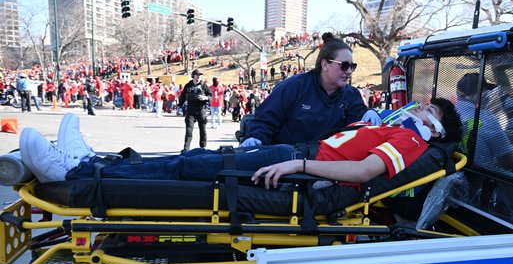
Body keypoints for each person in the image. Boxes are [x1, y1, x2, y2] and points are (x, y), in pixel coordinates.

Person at [19, 99, 461, 190]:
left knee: (190, 168)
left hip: (298, 162)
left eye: (431, 111)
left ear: (436, 130)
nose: (421, 108)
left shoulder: (412, 140)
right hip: (295, 153)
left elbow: (365, 172)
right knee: (194, 159)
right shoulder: (393, 126)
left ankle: (75, 172)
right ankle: (89, 163)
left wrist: (299, 167)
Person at [240, 33, 372, 147]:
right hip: (287, 163)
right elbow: (267, 118)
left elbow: (356, 130)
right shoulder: (294, 86)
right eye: (344, 65)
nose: (349, 71)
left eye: (352, 66)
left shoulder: (352, 95)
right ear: (325, 65)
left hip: (328, 166)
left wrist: (369, 115)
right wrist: (256, 138)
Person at [455, 72, 513, 168]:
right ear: (479, 96)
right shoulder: (488, 118)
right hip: (483, 177)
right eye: (486, 92)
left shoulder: (450, 112)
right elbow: (507, 160)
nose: (489, 96)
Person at [178, 69, 212, 151]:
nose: (199, 76)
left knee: (203, 130)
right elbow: (182, 96)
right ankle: (186, 149)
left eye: (200, 75)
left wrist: (205, 97)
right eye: (197, 75)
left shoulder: (204, 86)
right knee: (189, 130)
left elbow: (211, 96)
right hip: (191, 110)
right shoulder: (188, 85)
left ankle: (203, 147)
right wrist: (179, 106)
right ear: (193, 76)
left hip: (201, 110)